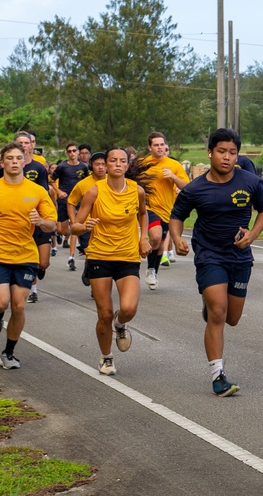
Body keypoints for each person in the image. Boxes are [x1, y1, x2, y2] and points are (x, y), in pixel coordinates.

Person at [168, 128, 263, 397]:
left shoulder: (250, 181)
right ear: (210, 153)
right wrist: (178, 238)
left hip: (239, 256)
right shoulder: (195, 188)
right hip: (209, 254)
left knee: (232, 318)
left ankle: (212, 303)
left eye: (233, 153)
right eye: (222, 152)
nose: (227, 157)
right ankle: (218, 375)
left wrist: (254, 233)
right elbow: (177, 215)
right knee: (218, 313)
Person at [0, 142, 58, 369]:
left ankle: (8, 353)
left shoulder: (37, 191)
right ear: (2, 162)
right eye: (10, 158)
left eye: (19, 158)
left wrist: (41, 222)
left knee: (19, 306)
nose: (15, 162)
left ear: (25, 161)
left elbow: (52, 224)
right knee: (0, 302)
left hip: (26, 255)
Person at [70, 148, 152, 376]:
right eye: (113, 160)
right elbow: (75, 225)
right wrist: (84, 226)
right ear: (105, 165)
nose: (117, 164)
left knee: (128, 308)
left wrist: (143, 237)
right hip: (99, 256)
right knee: (104, 313)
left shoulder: (137, 191)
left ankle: (121, 325)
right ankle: (106, 357)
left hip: (127, 256)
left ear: (127, 165)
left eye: (122, 161)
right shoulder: (94, 192)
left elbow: (143, 214)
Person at [141, 131, 189, 290]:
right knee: (154, 236)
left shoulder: (174, 165)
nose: (160, 148)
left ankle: (152, 270)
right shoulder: (142, 164)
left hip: (167, 210)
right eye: (156, 145)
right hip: (148, 208)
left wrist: (173, 178)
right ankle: (150, 268)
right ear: (150, 147)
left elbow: (188, 188)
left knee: (161, 245)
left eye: (162, 144)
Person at [13, 131, 53, 303]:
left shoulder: (38, 168)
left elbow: (45, 192)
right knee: (30, 258)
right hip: (20, 222)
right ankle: (33, 290)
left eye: (26, 143)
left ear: (31, 145)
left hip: (39, 219)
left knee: (43, 263)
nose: (23, 146)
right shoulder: (8, 169)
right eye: (19, 142)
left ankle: (39, 269)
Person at [68, 152, 108, 285]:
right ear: (91, 166)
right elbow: (71, 202)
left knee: (101, 254)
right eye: (97, 164)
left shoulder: (113, 181)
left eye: (103, 164)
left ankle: (92, 273)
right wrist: (74, 222)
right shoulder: (83, 184)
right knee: (90, 252)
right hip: (86, 224)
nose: (101, 167)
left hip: (105, 225)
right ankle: (90, 270)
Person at [51, 142, 89, 272]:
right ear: (67, 153)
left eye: (74, 151)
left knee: (74, 228)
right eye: (69, 151)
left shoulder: (84, 167)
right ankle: (60, 234)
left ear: (78, 152)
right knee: (62, 230)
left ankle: (71, 258)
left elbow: (88, 182)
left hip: (78, 202)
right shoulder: (62, 166)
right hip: (64, 201)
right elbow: (51, 179)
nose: (72, 153)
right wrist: (59, 191)